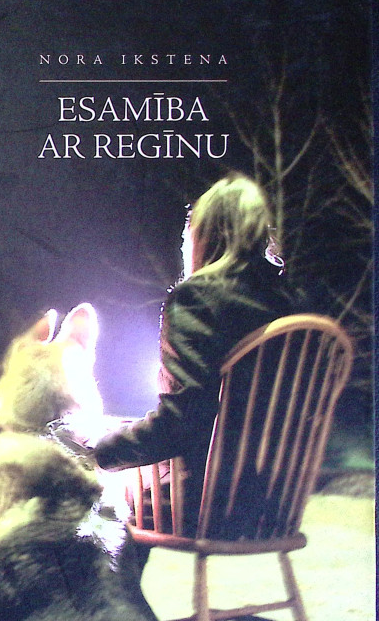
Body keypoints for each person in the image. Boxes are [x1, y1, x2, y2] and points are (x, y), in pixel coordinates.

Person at [93, 173, 297, 546]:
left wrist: (101, 450)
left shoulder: (197, 300)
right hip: (277, 505)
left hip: (209, 506)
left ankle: (101, 588)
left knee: (98, 499)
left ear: (202, 236)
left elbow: (183, 421)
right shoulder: (293, 303)